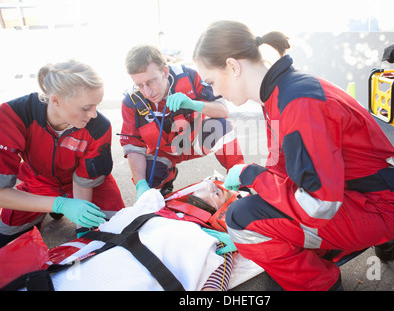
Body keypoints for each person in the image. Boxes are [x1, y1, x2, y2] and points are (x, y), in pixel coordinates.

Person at [192, 20, 394, 291]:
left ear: (232, 66)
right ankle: (374, 239)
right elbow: (284, 169)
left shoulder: (298, 103)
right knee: (262, 211)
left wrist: (252, 176)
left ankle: (322, 284)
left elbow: (318, 205)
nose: (214, 91)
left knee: (243, 220)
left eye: (212, 81)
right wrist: (261, 186)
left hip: (376, 206)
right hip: (366, 194)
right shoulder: (281, 91)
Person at [2, 179, 239, 291]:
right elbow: (149, 193)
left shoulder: (208, 240)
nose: (208, 185)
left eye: (216, 191)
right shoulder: (153, 206)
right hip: (57, 278)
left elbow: (214, 284)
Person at [0, 60, 125, 248]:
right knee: (5, 239)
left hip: (89, 185)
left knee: (120, 229)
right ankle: (52, 208)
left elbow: (85, 180)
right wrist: (58, 204)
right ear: (56, 100)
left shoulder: (100, 126)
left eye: (96, 105)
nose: (93, 114)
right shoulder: (12, 115)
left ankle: (55, 208)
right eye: (85, 108)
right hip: (39, 182)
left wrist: (84, 228)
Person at [120, 44, 244, 198]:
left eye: (151, 82)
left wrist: (195, 105)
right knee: (146, 177)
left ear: (165, 71)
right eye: (139, 85)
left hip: (193, 142)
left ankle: (240, 180)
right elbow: (133, 147)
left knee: (221, 127)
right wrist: (141, 185)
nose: (147, 92)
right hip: (164, 151)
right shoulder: (131, 102)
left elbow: (222, 110)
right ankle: (168, 178)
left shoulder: (189, 76)